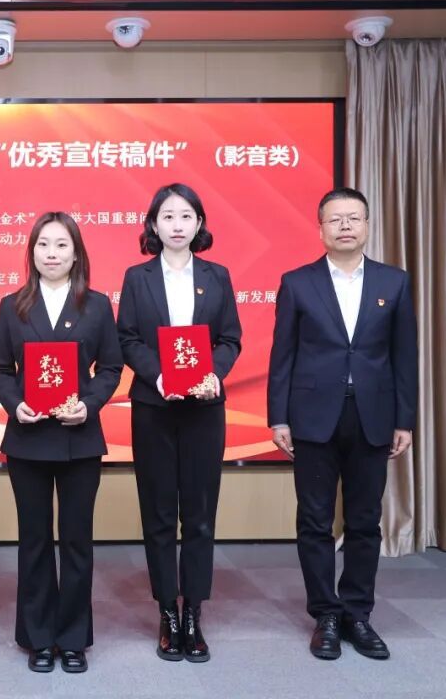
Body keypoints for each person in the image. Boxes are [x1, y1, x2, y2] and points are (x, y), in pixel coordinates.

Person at [267, 187, 417, 661]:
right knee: (314, 520)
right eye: (335, 219)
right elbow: (282, 355)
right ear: (321, 229)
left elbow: (404, 356)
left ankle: (357, 613)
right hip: (312, 417)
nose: (345, 226)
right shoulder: (298, 283)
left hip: (372, 415)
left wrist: (405, 419)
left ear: (367, 225)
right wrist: (278, 417)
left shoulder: (394, 282)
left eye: (353, 217)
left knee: (365, 520)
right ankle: (326, 615)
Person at [0, 212, 123, 674]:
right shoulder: (12, 305)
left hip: (79, 438)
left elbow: (110, 368)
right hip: (27, 439)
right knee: (35, 541)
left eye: (61, 245)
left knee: (77, 541)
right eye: (43, 244)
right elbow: (0, 369)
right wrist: (14, 404)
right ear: (32, 253)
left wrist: (89, 404)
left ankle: (73, 639)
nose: (51, 253)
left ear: (76, 253)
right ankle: (38, 637)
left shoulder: (98, 306)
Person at [116, 183, 242, 663]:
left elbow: (230, 338)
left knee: (200, 514)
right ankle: (168, 610)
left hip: (205, 409)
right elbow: (128, 338)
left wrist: (214, 374)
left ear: (199, 223)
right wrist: (160, 376)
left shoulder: (217, 275)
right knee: (159, 514)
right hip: (154, 407)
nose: (176, 225)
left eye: (186, 216)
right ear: (153, 224)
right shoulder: (137, 277)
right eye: (167, 216)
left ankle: (194, 613)